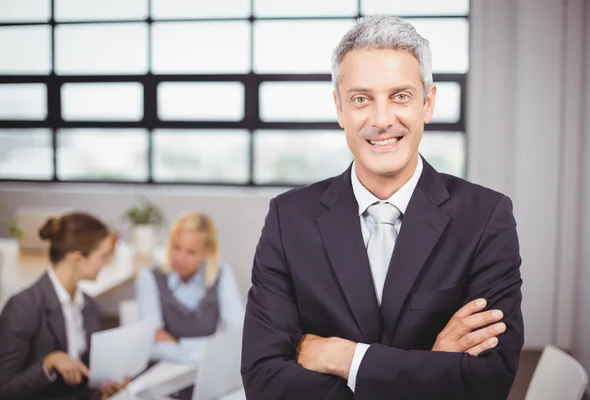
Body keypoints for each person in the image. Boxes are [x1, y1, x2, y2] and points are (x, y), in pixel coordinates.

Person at [241, 15, 524, 400]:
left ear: (428, 103)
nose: (381, 119)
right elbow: (264, 379)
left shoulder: (486, 218)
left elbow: (488, 380)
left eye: (400, 96)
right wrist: (430, 366)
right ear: (339, 108)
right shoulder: (288, 219)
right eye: (361, 99)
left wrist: (346, 358)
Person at [0, 212, 130, 400]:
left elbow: (79, 380)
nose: (108, 261)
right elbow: (4, 390)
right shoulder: (24, 307)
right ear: (76, 258)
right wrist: (48, 364)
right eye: (103, 255)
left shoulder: (89, 305)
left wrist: (99, 392)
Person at [135, 211, 245, 364]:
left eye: (191, 252)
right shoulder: (150, 277)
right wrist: (206, 349)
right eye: (176, 247)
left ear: (208, 251)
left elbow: (238, 330)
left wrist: (179, 346)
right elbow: (154, 336)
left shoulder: (222, 274)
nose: (180, 258)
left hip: (206, 367)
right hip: (165, 368)